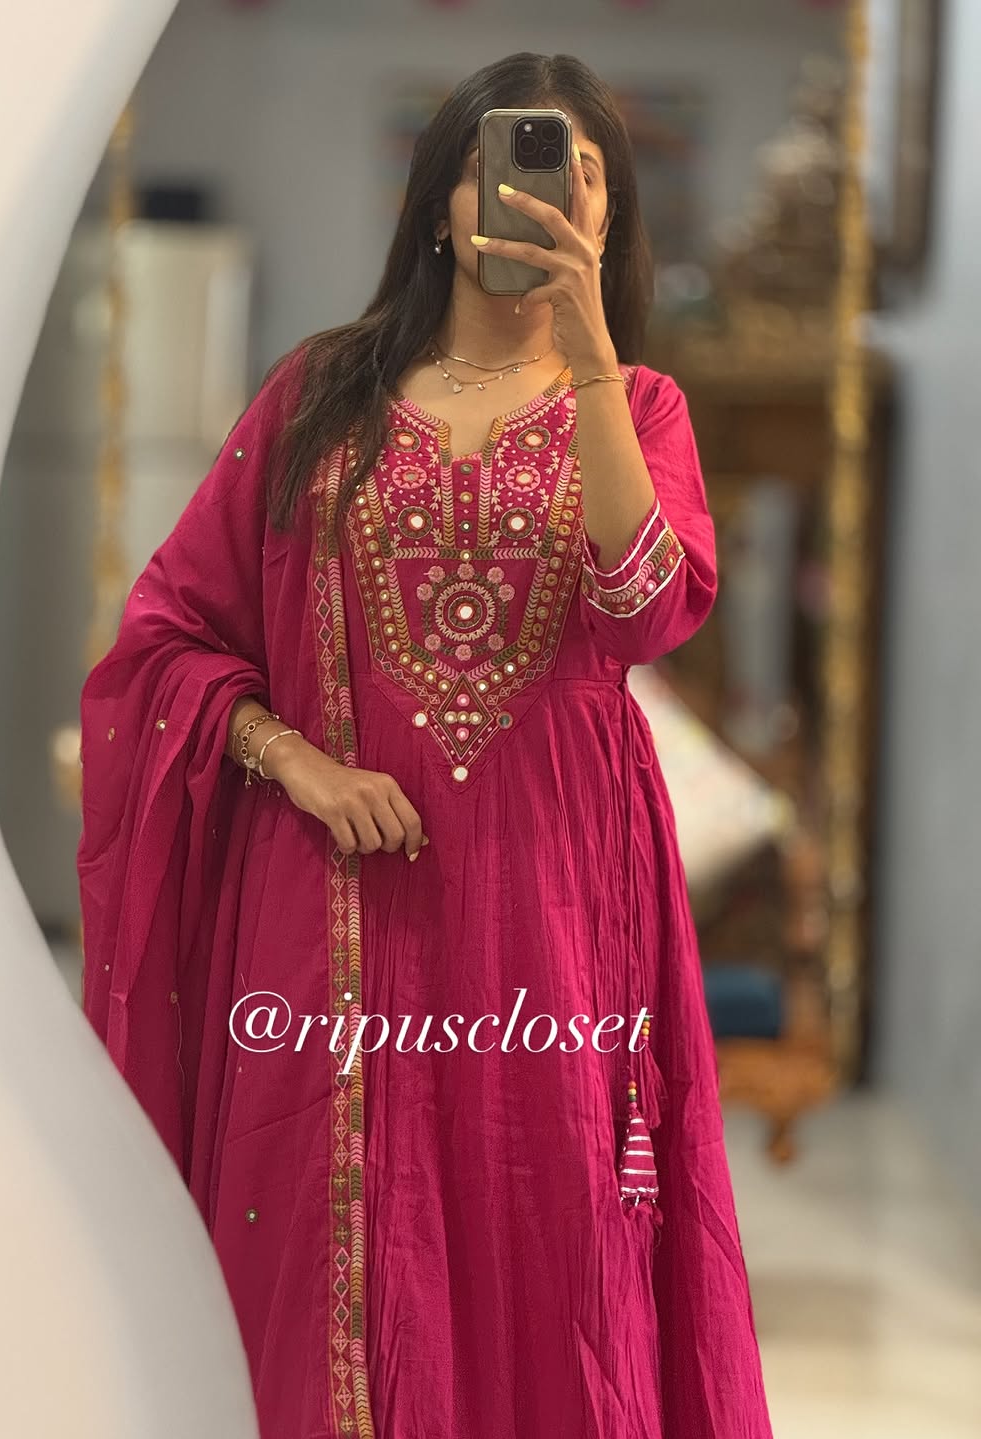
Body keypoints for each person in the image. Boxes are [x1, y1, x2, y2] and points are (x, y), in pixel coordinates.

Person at [77, 50, 773, 1439]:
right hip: (331, 894)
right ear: (443, 202)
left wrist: (588, 353)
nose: (547, 197)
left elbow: (645, 608)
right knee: (333, 1236)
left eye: (586, 174)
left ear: (612, 217)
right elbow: (165, 641)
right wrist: (296, 761)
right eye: (507, 165)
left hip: (554, 905)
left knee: (553, 1223)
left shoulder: (639, 409)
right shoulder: (319, 398)